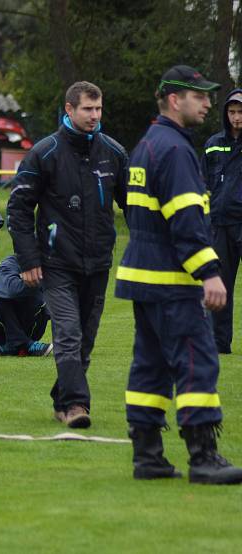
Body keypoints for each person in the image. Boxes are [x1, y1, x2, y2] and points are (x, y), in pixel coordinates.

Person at [116, 65, 242, 484]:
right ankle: (203, 456)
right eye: (200, 96)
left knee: (149, 368)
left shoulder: (148, 145)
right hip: (173, 283)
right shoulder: (176, 150)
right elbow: (186, 220)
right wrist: (209, 272)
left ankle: (147, 456)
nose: (209, 104)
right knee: (196, 364)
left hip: (144, 279)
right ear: (175, 100)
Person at [7, 81, 128, 429]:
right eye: (88, 109)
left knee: (86, 339)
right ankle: (76, 405)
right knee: (69, 334)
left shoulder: (114, 153)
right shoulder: (44, 153)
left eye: (99, 109)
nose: (95, 115)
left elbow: (133, 204)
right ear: (69, 109)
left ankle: (63, 399)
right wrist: (28, 260)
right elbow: (18, 208)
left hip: (99, 261)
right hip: (56, 262)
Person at [202, 87, 242, 354]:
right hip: (219, 224)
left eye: (240, 112)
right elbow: (203, 183)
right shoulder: (213, 143)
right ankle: (219, 343)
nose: (236, 117)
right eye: (232, 112)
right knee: (221, 284)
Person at [0, 254, 52, 357]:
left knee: (40, 298)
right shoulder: (9, 263)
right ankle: (26, 344)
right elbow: (12, 290)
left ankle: (11, 347)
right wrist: (37, 279)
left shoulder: (51, 265)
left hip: (32, 329)